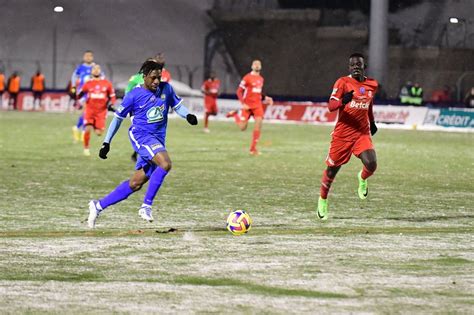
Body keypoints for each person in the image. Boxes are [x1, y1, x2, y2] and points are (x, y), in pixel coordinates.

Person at [87, 60, 198, 228]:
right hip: (141, 136)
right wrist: (106, 143)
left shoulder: (166, 89)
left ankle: (98, 206)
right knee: (165, 163)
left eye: (159, 78)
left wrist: (188, 116)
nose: (156, 81)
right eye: (153, 78)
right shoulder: (133, 95)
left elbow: (177, 106)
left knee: (135, 183)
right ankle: (146, 206)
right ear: (144, 76)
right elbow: (117, 119)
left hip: (158, 138)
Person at [317, 53, 379, 221]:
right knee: (332, 171)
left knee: (372, 164)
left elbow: (369, 103)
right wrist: (343, 101)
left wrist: (372, 122)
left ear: (364, 65)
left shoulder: (372, 84)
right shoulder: (342, 83)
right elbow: (331, 106)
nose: (355, 67)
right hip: (343, 135)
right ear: (349, 68)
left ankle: (362, 178)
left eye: (358, 64)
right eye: (352, 65)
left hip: (361, 133)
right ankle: (323, 199)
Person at [126, 54, 170, 162]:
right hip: (137, 110)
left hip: (153, 107)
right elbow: (128, 92)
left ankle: (145, 155)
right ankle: (143, 155)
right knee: (142, 130)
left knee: (152, 130)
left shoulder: (165, 75)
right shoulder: (135, 78)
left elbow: (163, 89)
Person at [226, 60, 273, 155]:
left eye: (258, 64)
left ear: (260, 67)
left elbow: (258, 92)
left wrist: (266, 98)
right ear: (252, 66)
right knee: (242, 127)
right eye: (255, 64)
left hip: (257, 105)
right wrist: (243, 103)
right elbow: (239, 91)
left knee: (259, 124)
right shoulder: (247, 78)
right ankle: (235, 115)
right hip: (247, 106)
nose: (257, 65)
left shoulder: (261, 79)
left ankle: (253, 149)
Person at [76, 64, 116, 156]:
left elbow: (112, 96)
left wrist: (112, 104)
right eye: (94, 69)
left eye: (98, 68)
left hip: (101, 112)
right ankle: (86, 149)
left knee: (99, 133)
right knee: (87, 129)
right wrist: (78, 94)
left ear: (100, 71)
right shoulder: (88, 83)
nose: (96, 70)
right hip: (90, 110)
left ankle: (94, 124)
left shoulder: (107, 83)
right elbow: (80, 94)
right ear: (91, 71)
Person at [71, 50, 95, 142]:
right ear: (84, 57)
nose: (88, 58)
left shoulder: (95, 67)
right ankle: (83, 131)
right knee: (86, 111)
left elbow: (102, 77)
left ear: (92, 57)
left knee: (87, 113)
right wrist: (73, 86)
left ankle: (77, 128)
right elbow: (74, 76)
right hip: (83, 93)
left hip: (93, 93)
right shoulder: (80, 68)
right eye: (86, 56)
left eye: (90, 56)